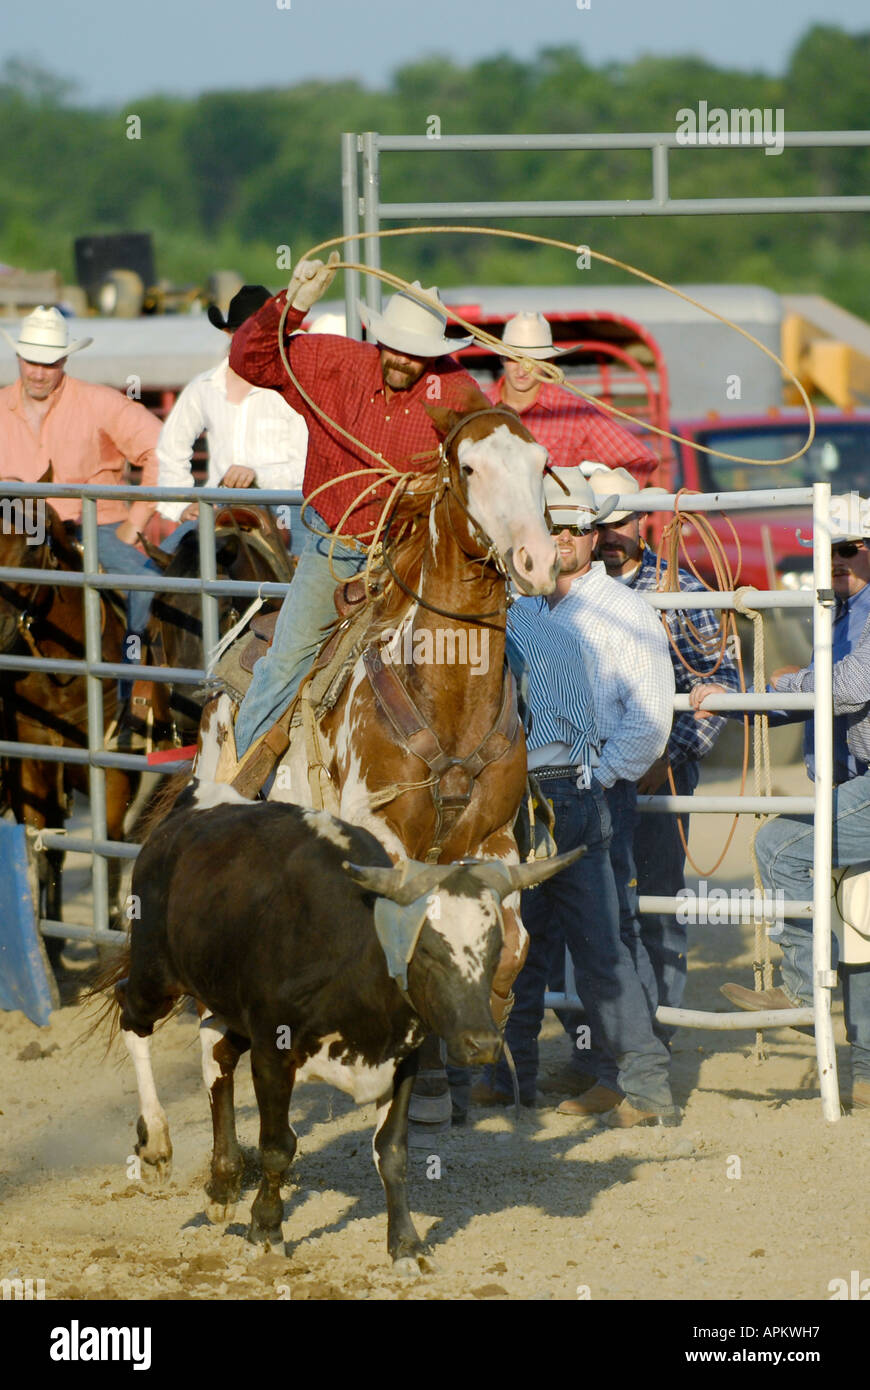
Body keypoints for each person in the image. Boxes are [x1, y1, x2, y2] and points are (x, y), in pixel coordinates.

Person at [228, 260, 480, 758]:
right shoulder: (335, 362)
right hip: (334, 549)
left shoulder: (453, 390)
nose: (405, 361)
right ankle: (241, 787)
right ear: (379, 337)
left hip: (411, 556)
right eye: (399, 349)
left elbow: (498, 446)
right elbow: (250, 362)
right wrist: (292, 306)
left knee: (487, 655)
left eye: (419, 355)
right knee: (286, 663)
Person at [469, 554, 678, 1126]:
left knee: (522, 944)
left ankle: (509, 1076)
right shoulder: (548, 620)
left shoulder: (504, 620)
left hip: (541, 795)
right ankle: (644, 1086)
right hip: (574, 789)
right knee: (596, 947)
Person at [692, 525, 870, 1110]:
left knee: (784, 849)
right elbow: (821, 694)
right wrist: (737, 700)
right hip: (853, 783)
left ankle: (801, 994)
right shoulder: (839, 616)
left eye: (850, 549)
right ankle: (862, 1066)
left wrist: (775, 687)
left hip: (861, 782)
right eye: (830, 551)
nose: (838, 561)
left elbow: (846, 688)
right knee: (859, 919)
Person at [535, 467, 676, 1116]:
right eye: (551, 527)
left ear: (593, 537)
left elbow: (650, 719)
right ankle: (598, 1065)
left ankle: (632, 1079)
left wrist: (604, 774)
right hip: (541, 793)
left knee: (606, 935)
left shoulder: (625, 611)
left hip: (595, 791)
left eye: (573, 528)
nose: (562, 538)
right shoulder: (526, 607)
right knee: (552, 935)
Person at [587, 463, 740, 1034]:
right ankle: (605, 1044)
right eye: (597, 523)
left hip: (658, 774)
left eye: (620, 521)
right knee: (593, 905)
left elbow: (719, 680)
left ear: (643, 522)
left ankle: (652, 1041)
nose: (608, 535)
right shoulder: (574, 591)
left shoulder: (682, 590)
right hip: (592, 769)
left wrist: (666, 755)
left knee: (654, 901)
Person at [0, 305, 161, 640]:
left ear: (65, 362)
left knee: (147, 584)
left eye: (49, 364)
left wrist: (135, 523)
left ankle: (132, 681)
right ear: (18, 359)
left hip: (91, 528)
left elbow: (162, 448)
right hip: (14, 530)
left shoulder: (100, 402)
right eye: (31, 361)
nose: (39, 373)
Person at [156, 284, 308, 553]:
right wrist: (181, 506)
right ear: (229, 334)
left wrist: (258, 475)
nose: (253, 341)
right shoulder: (204, 386)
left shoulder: (295, 387)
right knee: (153, 580)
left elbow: (308, 463)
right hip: (219, 506)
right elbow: (171, 448)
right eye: (245, 333)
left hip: (285, 504)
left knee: (314, 580)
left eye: (262, 334)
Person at [485, 311, 659, 481]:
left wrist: (610, 500)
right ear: (502, 358)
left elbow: (639, 460)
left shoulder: (572, 411)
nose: (522, 370)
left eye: (532, 360)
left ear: (548, 363)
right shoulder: (477, 407)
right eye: (514, 358)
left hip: (551, 510)